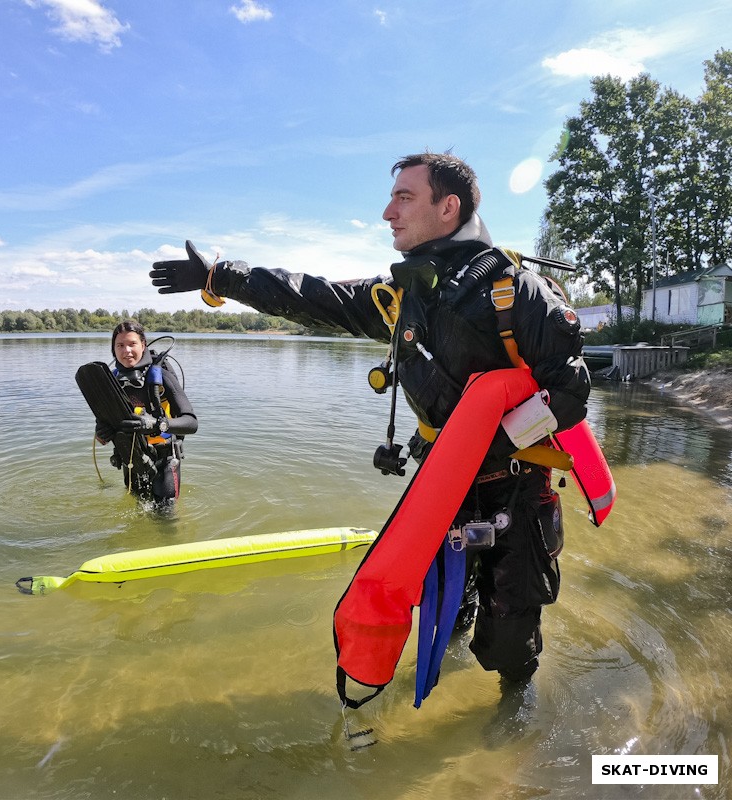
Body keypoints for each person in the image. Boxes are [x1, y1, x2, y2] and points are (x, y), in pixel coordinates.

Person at [148, 152, 590, 685]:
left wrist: (483, 444)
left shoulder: (516, 292)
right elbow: (309, 294)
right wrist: (223, 277)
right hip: (441, 491)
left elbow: (570, 391)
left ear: (448, 206)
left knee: (511, 640)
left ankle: (512, 732)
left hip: (515, 491)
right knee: (446, 608)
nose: (387, 212)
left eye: (404, 197)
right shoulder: (399, 297)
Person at [95, 320, 198, 505]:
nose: (126, 350)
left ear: (143, 345)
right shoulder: (111, 383)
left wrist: (157, 424)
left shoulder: (162, 377)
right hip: (132, 460)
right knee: (136, 513)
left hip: (165, 459)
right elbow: (102, 434)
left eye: (132, 344)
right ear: (113, 349)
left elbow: (191, 422)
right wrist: (102, 434)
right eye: (120, 345)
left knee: (165, 517)